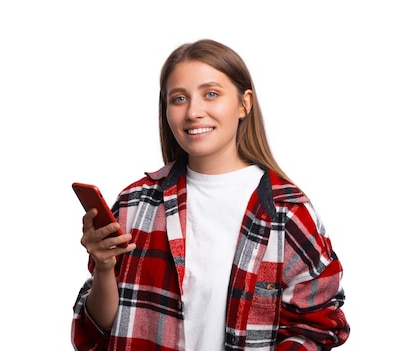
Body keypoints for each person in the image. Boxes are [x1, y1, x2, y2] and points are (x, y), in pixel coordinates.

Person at [71, 39, 350, 351]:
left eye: (211, 94)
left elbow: (317, 327)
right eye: (179, 99)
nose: (193, 112)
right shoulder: (135, 203)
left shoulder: (287, 212)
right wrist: (104, 267)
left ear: (245, 103)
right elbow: (97, 332)